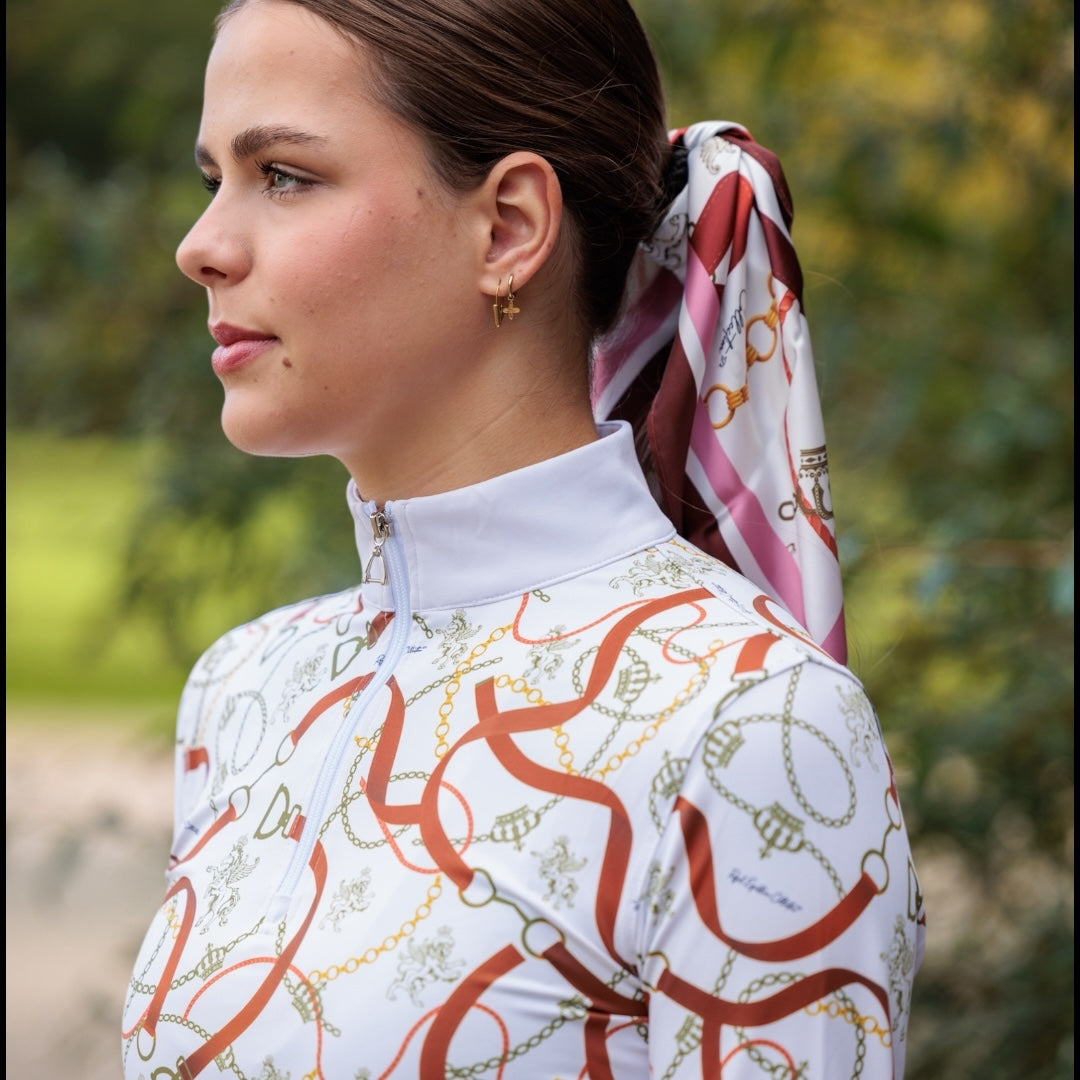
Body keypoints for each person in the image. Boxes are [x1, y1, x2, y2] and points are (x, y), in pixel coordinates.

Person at [122, 0, 925, 1076]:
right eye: (212, 178)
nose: (201, 248)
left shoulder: (747, 725)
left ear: (507, 227)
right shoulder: (248, 688)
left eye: (284, 175)